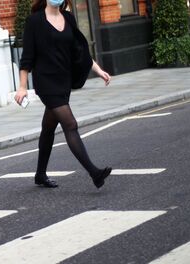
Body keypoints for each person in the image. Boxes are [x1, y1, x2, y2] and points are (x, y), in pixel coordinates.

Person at [14, 0, 112, 188]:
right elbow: (27, 57)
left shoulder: (68, 18)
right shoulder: (34, 21)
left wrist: (98, 70)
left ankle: (40, 175)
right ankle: (95, 173)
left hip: (63, 81)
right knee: (70, 124)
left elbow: (80, 51)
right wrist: (22, 86)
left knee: (49, 127)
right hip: (46, 83)